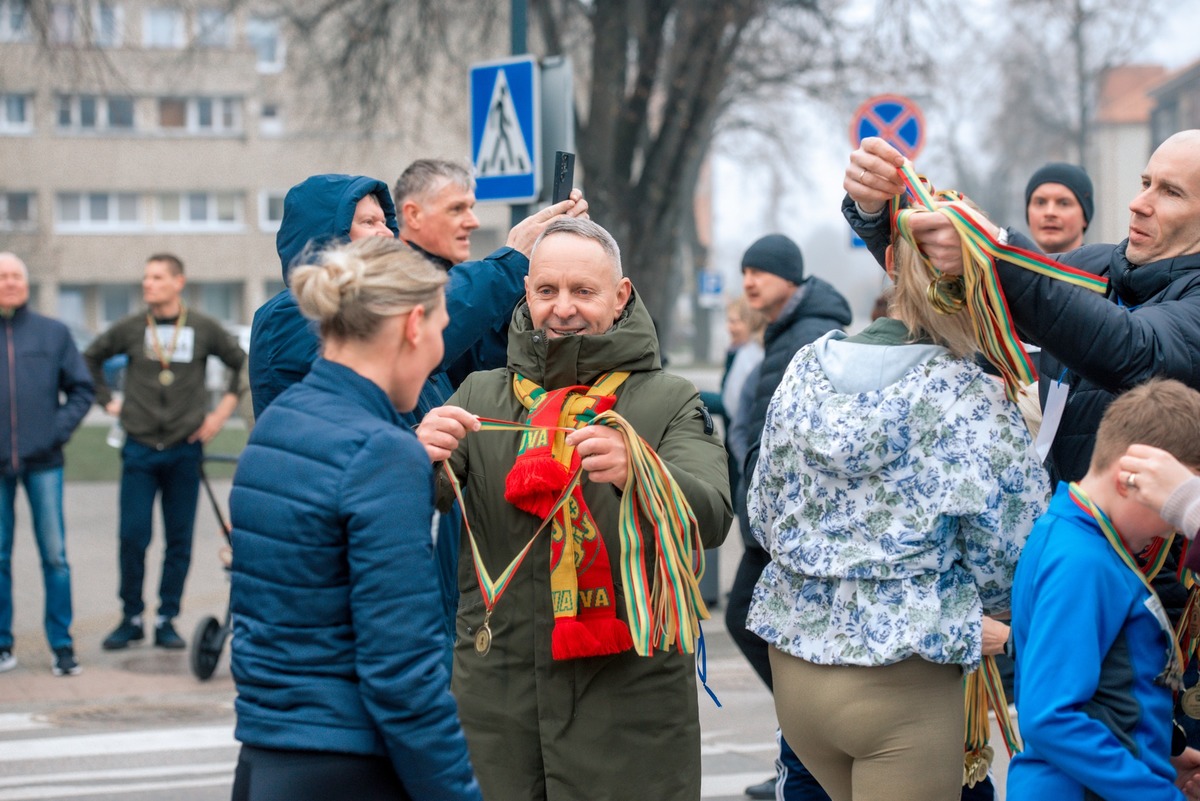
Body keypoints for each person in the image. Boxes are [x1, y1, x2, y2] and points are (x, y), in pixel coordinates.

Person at [416, 217, 732, 800]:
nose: (563, 309)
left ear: (620, 297)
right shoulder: (481, 395)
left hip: (627, 703)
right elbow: (412, 504)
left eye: (583, 292)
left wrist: (643, 471)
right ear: (527, 294)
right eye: (546, 291)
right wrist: (415, 458)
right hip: (496, 700)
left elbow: (711, 513)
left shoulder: (668, 399)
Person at [746, 224, 1050, 801]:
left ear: (890, 260)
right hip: (906, 684)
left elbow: (763, 514)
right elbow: (1015, 551)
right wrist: (977, 611)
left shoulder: (802, 369)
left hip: (797, 670)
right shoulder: (971, 394)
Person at [249, 173, 587, 657]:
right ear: (325, 239)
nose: (387, 233)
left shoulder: (398, 341)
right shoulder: (289, 317)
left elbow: (481, 354)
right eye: (368, 222)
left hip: (427, 554)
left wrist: (546, 293)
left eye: (385, 222)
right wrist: (513, 259)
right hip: (355, 582)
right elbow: (437, 317)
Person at [229, 237, 481, 801]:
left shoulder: (277, 425)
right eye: (442, 329)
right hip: (348, 764)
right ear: (414, 325)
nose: (441, 352)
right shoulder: (383, 452)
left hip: (265, 756)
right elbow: (403, 673)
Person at [1008, 378, 1200, 800]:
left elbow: (1106, 694)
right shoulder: (1082, 559)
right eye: (1172, 501)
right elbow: (1050, 716)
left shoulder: (1074, 537)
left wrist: (1160, 757)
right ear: (1131, 478)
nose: (1176, 526)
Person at [725, 234, 852, 801]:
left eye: (763, 272)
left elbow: (791, 437)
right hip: (774, 520)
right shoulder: (785, 329)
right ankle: (800, 744)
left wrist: (767, 521)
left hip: (783, 526)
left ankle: (807, 741)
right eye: (746, 271)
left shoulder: (808, 334)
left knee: (754, 624)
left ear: (791, 278)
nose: (750, 281)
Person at [85, 253, 245, 651]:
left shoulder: (204, 328)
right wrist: (108, 403)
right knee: (133, 536)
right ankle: (131, 617)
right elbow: (90, 358)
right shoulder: (131, 327)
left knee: (179, 540)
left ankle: (166, 618)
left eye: (156, 277)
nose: (147, 284)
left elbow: (241, 363)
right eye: (145, 277)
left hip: (184, 450)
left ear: (178, 282)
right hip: (139, 449)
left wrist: (220, 415)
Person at [0, 253, 93, 677]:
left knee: (55, 556)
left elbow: (81, 390)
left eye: (16, 275)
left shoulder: (52, 333)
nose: (10, 282)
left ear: (27, 283)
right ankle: (3, 645)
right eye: (2, 276)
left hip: (45, 463)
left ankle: (62, 645)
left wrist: (53, 433)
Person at [393, 158, 507, 385]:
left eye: (471, 208)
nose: (473, 222)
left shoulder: (453, 281)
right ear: (413, 215)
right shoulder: (392, 285)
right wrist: (511, 264)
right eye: (456, 209)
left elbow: (484, 360)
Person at [1024, 162, 1094, 254]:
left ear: (1085, 217)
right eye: (1040, 202)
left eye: (1064, 203)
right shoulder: (1007, 267)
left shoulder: (1110, 267)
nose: (1050, 212)